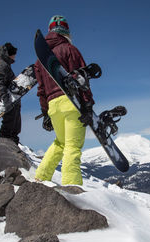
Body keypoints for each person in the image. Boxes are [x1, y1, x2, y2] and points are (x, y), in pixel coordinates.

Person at [34, 15, 94, 186]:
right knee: (73, 147)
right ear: (66, 31)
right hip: (71, 103)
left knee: (60, 143)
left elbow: (41, 90)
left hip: (53, 106)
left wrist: (45, 113)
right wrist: (88, 105)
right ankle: (72, 187)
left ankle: (41, 177)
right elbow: (81, 78)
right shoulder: (69, 49)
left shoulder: (40, 59)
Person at [0, 42, 21, 144]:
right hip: (9, 102)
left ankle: (12, 146)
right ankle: (2, 149)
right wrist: (6, 102)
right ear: (8, 53)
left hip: (13, 102)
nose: (15, 56)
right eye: (14, 53)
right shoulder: (1, 66)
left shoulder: (6, 66)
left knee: (15, 127)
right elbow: (0, 85)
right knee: (8, 127)